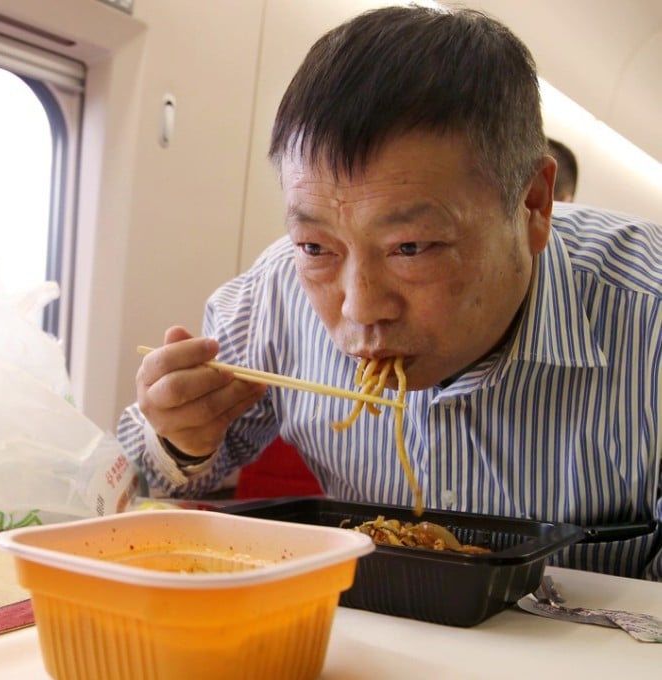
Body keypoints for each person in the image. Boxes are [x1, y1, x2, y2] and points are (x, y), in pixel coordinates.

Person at [117, 5, 662, 580]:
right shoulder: (273, 295)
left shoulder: (648, 314)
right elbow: (134, 484)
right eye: (316, 247)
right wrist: (179, 438)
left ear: (532, 205)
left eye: (411, 247)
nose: (359, 308)